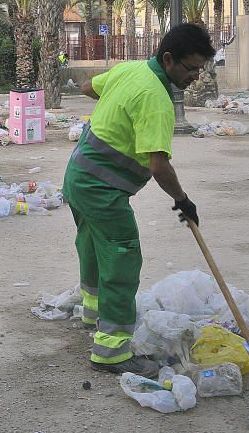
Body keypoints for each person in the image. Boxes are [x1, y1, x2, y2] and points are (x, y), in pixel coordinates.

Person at [62, 23, 215, 376]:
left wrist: (118, 106)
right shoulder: (157, 101)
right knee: (121, 257)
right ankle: (111, 351)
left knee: (91, 244)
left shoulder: (129, 70)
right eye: (190, 68)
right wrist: (183, 200)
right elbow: (159, 165)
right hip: (103, 190)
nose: (195, 77)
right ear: (168, 59)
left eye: (200, 69)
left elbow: (88, 87)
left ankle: (93, 311)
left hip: (77, 176)